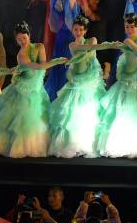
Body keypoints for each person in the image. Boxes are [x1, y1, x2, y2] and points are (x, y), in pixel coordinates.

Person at [47, 15, 116, 158]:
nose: (77, 32)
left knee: (89, 110)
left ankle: (87, 143)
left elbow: (89, 53)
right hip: (76, 78)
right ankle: (72, 143)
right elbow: (80, 53)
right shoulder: (72, 45)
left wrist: (74, 59)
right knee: (71, 111)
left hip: (89, 80)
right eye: (75, 30)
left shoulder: (92, 40)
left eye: (80, 30)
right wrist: (72, 60)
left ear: (85, 31)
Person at [0, 22, 63, 157]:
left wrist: (48, 65)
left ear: (29, 36)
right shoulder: (20, 55)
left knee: (39, 116)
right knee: (24, 118)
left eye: (24, 37)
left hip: (36, 87)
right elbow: (38, 67)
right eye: (19, 39)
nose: (22, 41)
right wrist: (57, 61)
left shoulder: (39, 46)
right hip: (23, 89)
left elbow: (42, 65)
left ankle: (37, 144)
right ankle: (21, 147)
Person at [94, 13, 137, 159]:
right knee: (122, 112)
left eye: (132, 27)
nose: (129, 29)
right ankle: (123, 143)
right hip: (126, 79)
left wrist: (131, 45)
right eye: (127, 27)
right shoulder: (125, 40)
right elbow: (124, 59)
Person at [45, 0, 83, 99]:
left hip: (60, 37)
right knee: (69, 64)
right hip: (70, 37)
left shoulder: (54, 0)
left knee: (59, 64)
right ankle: (67, 96)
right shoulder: (69, 2)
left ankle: (56, 94)